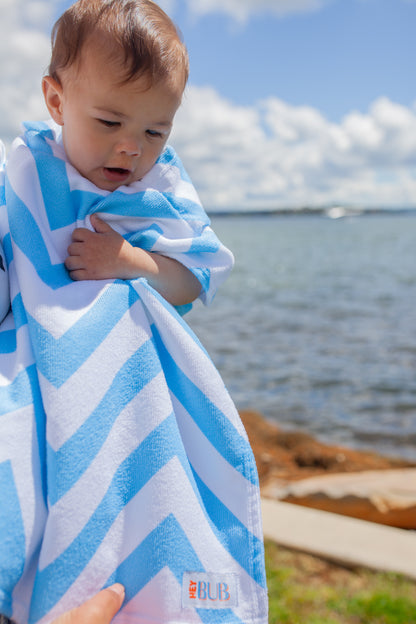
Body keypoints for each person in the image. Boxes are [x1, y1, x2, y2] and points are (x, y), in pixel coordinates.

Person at [0, 1, 268, 623]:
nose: (131, 147)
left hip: (129, 379)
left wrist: (129, 260)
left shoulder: (160, 191)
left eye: (156, 131)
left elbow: (192, 278)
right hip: (34, 363)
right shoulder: (24, 173)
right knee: (22, 459)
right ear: (57, 100)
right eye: (110, 120)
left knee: (134, 489)